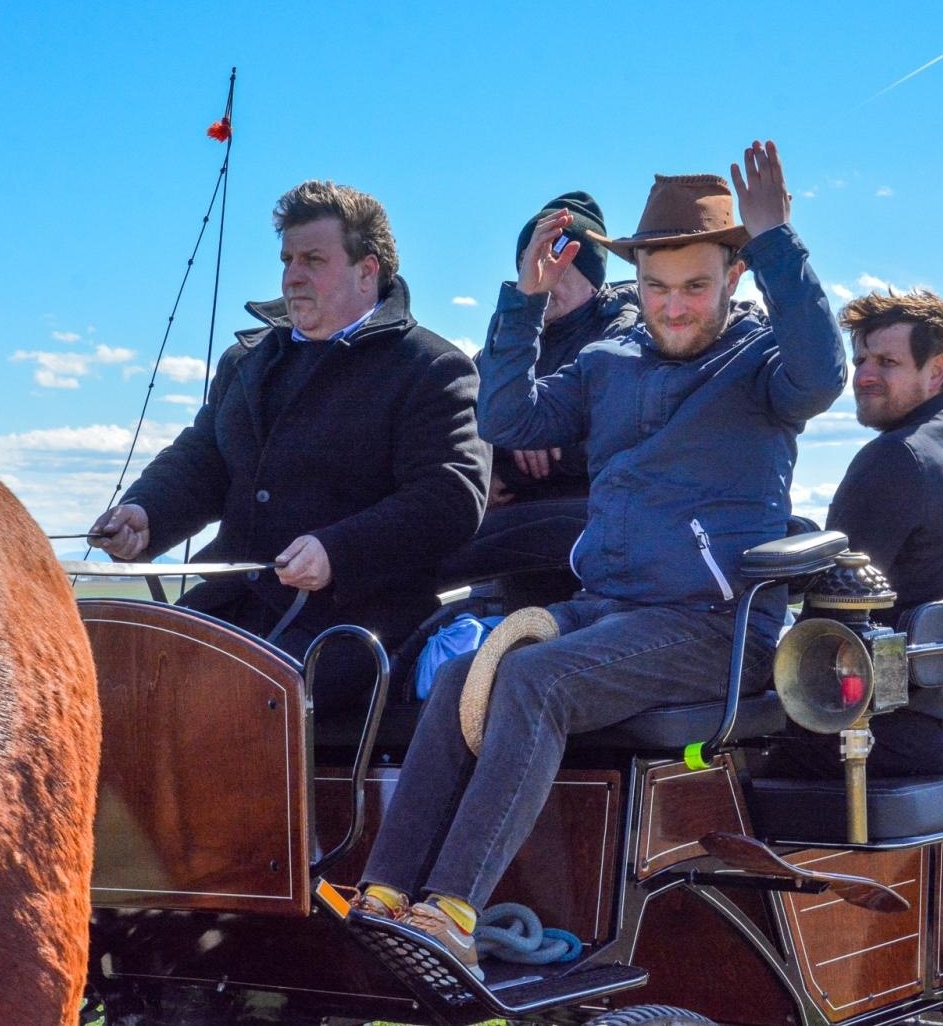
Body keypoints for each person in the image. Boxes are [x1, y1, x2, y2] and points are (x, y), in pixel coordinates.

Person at [352, 142, 845, 977]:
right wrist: (525, 303)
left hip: (715, 626)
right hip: (610, 610)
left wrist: (777, 242)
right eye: (658, 287)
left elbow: (823, 373)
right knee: (469, 670)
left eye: (696, 286)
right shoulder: (608, 362)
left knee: (537, 679)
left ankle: (451, 914)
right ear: (637, 284)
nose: (675, 306)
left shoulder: (761, 365)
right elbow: (508, 417)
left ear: (732, 277)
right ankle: (384, 899)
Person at [88, 180, 489, 707]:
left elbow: (451, 497)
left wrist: (337, 552)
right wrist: (146, 513)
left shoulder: (428, 367)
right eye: (288, 258)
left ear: (367, 271)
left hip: (352, 620)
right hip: (233, 606)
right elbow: (205, 458)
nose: (293, 275)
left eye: (313, 260)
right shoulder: (250, 362)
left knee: (218, 700)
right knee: (114, 677)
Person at [777, 289, 943, 776]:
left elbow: (824, 615)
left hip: (893, 726)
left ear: (936, 371)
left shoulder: (895, 458)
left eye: (887, 361)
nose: (865, 376)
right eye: (860, 359)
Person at [435, 192, 638, 603]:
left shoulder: (624, 334)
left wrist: (548, 428)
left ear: (592, 275)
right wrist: (486, 470)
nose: (544, 280)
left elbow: (626, 429)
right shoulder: (506, 341)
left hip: (597, 531)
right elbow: (458, 426)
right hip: (515, 543)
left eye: (559, 267)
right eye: (533, 266)